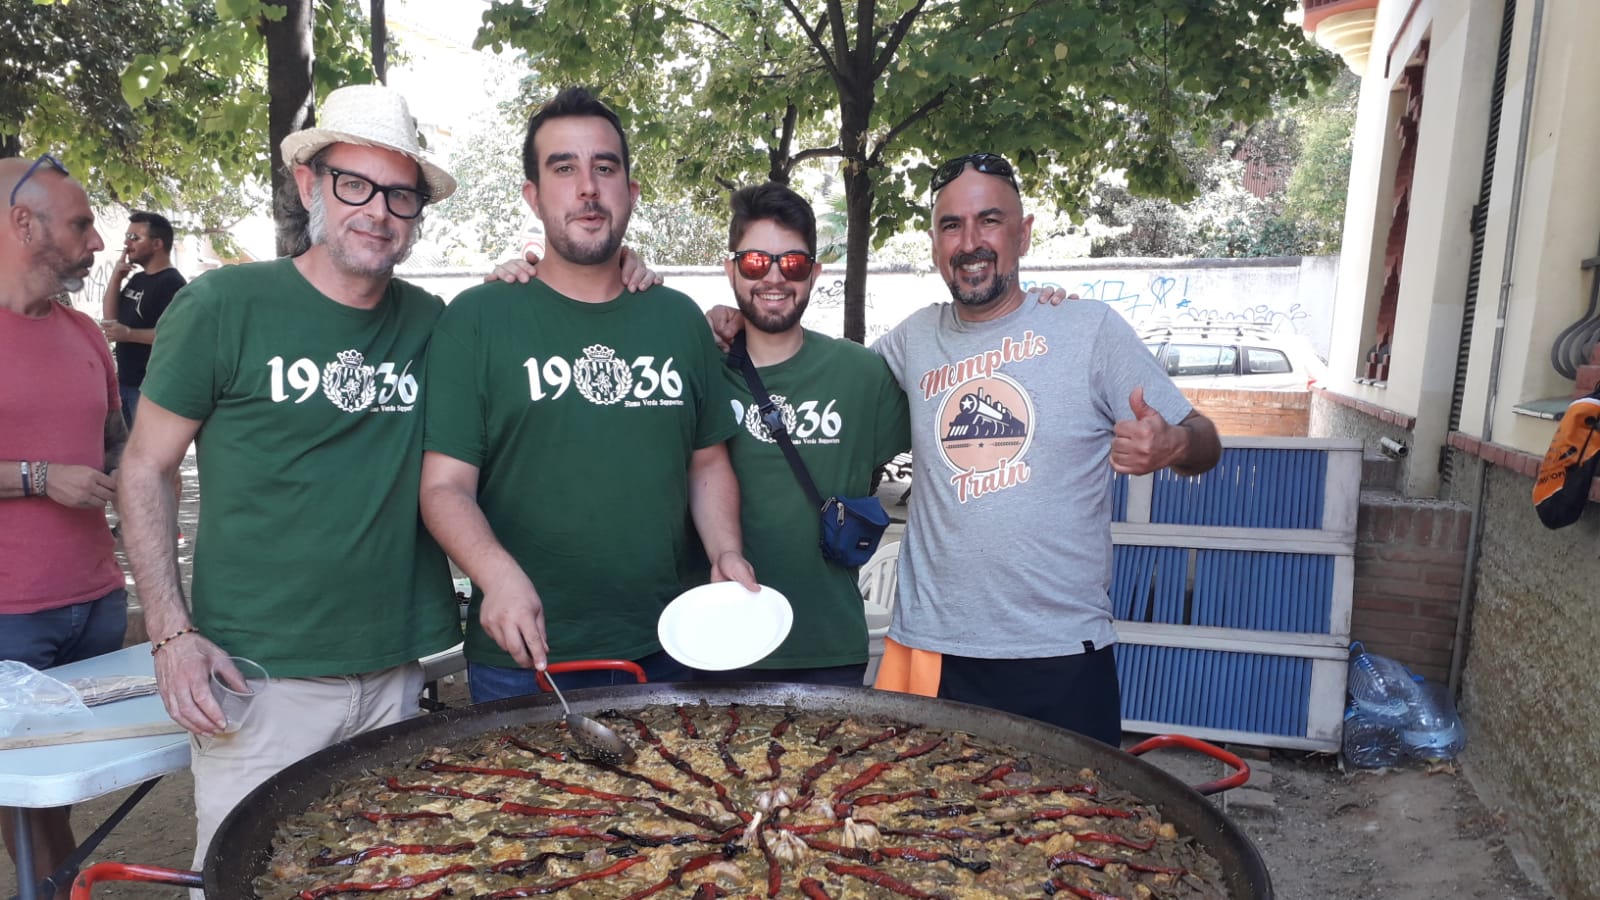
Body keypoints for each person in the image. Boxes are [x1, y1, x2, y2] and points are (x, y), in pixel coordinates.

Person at [115, 83, 467, 883]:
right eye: (355, 184)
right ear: (310, 184)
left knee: (382, 878)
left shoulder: (433, 323)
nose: (377, 211)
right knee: (249, 879)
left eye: (400, 195)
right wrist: (170, 635)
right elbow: (144, 466)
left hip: (395, 675)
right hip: (258, 681)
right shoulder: (222, 306)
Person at [869, 153, 1222, 744]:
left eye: (990, 220)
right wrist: (730, 328)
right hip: (931, 649)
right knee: (918, 828)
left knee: (1069, 833)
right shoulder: (912, 339)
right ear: (934, 242)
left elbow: (1206, 441)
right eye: (951, 225)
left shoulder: (1088, 330)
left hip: (1057, 653)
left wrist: (1173, 442)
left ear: (1024, 233)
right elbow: (820, 377)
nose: (970, 241)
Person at [420, 87, 755, 700]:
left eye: (605, 167)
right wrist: (495, 576)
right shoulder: (477, 320)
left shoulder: (677, 319)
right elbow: (444, 486)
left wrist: (726, 551)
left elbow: (707, 463)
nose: (588, 187)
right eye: (563, 168)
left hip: (668, 648)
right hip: (525, 655)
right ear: (533, 195)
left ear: (629, 190)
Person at [691, 182, 910, 686]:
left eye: (791, 264)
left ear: (814, 272)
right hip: (715, 646)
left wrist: (1032, 315)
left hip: (827, 646)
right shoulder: (696, 367)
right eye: (753, 263)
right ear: (730, 270)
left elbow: (951, 434)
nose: (772, 277)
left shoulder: (861, 374)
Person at [0, 153, 124, 897]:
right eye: (81, 224)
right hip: (9, 615)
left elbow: (116, 440)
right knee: (18, 788)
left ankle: (50, 885)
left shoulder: (85, 333)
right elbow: (60, 469)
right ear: (23, 222)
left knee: (56, 788)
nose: (98, 242)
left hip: (97, 604)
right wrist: (42, 478)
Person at [100, 212, 186, 427]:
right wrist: (115, 279)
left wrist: (128, 334)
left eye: (135, 238)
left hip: (151, 389)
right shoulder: (138, 279)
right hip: (127, 384)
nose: (127, 244)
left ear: (157, 244)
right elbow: (111, 320)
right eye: (126, 236)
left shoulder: (171, 283)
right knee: (126, 453)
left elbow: (177, 335)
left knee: (149, 457)